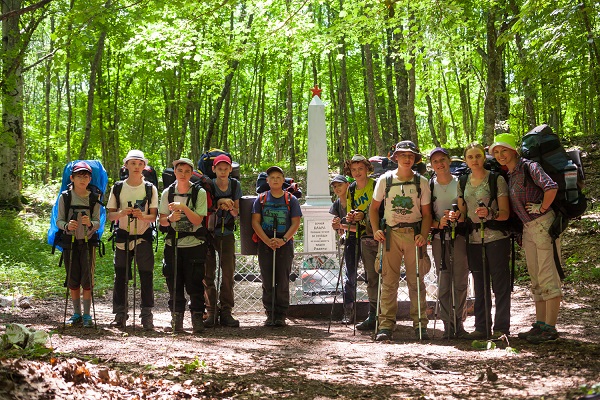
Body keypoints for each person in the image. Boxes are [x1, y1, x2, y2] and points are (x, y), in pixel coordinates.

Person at [490, 133, 561, 344]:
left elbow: (551, 187)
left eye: (504, 150)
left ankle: (551, 327)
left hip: (543, 225)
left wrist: (543, 207)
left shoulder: (529, 166)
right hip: (529, 229)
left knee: (547, 274)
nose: (500, 155)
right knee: (536, 277)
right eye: (496, 151)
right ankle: (540, 325)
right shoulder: (511, 173)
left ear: (514, 150)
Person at [370, 141, 433, 341]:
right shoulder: (384, 180)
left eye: (411, 156)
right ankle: (386, 325)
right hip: (390, 235)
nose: (407, 159)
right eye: (403, 155)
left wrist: (423, 234)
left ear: (415, 159)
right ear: (395, 157)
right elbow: (373, 209)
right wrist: (376, 230)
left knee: (417, 280)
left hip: (414, 235)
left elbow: (427, 213)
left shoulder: (421, 182)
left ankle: (420, 324)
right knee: (388, 281)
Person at [456, 143, 511, 339]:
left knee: (500, 284)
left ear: (484, 158)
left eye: (478, 156)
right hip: (473, 239)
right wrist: (454, 217)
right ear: (466, 160)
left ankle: (501, 328)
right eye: (470, 157)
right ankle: (482, 327)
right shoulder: (462, 182)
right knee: (480, 284)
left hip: (497, 238)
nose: (475, 160)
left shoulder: (496, 180)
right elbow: (462, 214)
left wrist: (490, 213)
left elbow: (505, 213)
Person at [106, 150, 158, 330]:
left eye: (140, 163)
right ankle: (120, 314)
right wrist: (122, 213)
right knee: (120, 276)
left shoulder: (150, 188)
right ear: (126, 165)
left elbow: (153, 217)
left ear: (145, 166)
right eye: (133, 163)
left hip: (143, 238)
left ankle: (146, 316)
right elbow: (110, 216)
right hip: (122, 236)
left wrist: (141, 215)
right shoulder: (118, 187)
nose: (136, 167)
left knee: (146, 276)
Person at [159, 157, 209, 333]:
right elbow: (162, 221)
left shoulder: (199, 193)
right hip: (173, 245)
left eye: (187, 171)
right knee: (174, 283)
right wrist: (171, 218)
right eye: (180, 171)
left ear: (192, 173)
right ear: (175, 172)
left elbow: (198, 219)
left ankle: (197, 319)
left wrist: (184, 208)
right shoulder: (167, 193)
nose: (183, 174)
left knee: (195, 283)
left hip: (195, 244)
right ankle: (176, 321)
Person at [251, 166, 302, 327]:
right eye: (272, 177)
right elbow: (255, 222)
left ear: (283, 180)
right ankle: (270, 312)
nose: (275, 180)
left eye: (278, 177)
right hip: (265, 243)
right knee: (267, 279)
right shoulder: (261, 199)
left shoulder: (290, 200)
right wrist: (267, 240)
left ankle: (281, 314)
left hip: (284, 243)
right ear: (267, 180)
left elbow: (295, 222)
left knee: (282, 278)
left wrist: (284, 240)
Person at [428, 148, 470, 339]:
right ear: (432, 165)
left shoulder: (460, 182)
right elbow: (425, 215)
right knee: (444, 281)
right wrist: (439, 223)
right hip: (439, 239)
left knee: (460, 280)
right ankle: (447, 324)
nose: (440, 164)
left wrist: (458, 216)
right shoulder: (429, 186)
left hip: (459, 238)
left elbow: (467, 210)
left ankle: (459, 322)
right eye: (435, 161)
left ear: (449, 160)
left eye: (442, 160)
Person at [57, 161, 101, 328]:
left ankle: (87, 315)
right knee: (73, 278)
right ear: (72, 178)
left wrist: (91, 223)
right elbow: (59, 220)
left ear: (90, 178)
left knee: (87, 279)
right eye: (79, 176)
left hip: (88, 242)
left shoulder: (94, 197)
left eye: (86, 176)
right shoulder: (65, 197)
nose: (83, 179)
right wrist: (67, 226)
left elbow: (98, 221)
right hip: (70, 242)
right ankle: (76, 313)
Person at [203, 154, 242, 328]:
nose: (223, 171)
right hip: (209, 233)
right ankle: (210, 311)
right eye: (220, 168)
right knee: (207, 273)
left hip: (227, 233)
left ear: (230, 169)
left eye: (226, 168)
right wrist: (219, 203)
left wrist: (230, 206)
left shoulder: (235, 185)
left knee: (227, 272)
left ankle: (226, 311)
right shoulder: (208, 185)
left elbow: (237, 212)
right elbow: (204, 207)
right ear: (214, 170)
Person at [341, 155, 378, 329]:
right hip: (356, 235)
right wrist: (352, 217)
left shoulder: (376, 185)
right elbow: (351, 213)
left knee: (374, 276)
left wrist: (365, 216)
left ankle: (377, 313)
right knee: (351, 275)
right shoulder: (352, 189)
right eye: (354, 170)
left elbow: (381, 210)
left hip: (373, 236)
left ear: (367, 169)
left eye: (360, 169)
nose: (357, 173)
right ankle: (349, 311)